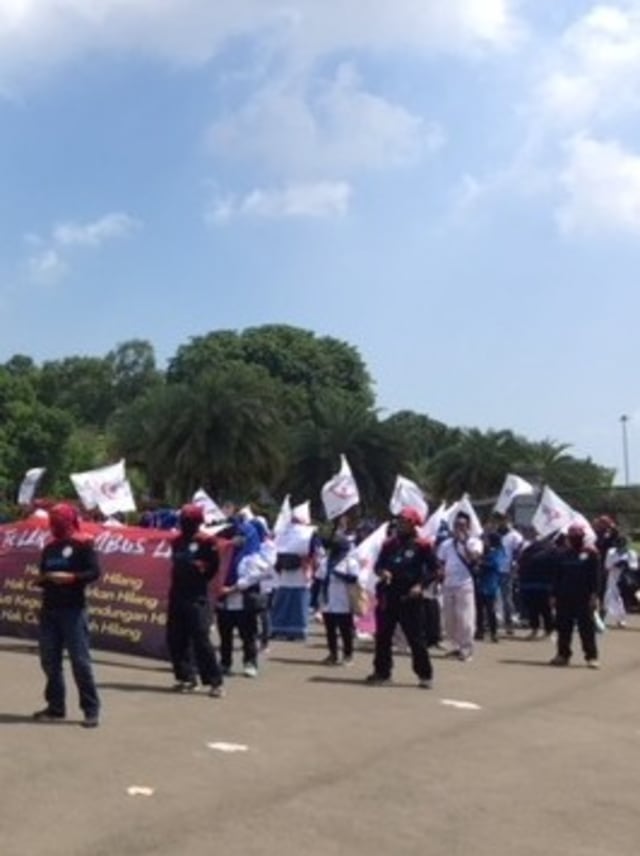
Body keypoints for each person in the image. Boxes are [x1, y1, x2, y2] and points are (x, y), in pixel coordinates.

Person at [33, 503, 101, 727]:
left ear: (69, 519)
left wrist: (70, 578)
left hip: (73, 610)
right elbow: (43, 572)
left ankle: (91, 710)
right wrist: (43, 579)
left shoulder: (83, 542)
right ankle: (56, 707)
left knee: (80, 662)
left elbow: (94, 572)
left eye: (58, 519)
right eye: (52, 520)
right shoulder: (49, 545)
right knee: (49, 661)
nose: (54, 524)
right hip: (50, 609)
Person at [366, 507, 436, 688]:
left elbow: (435, 570)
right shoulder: (389, 544)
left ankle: (425, 675)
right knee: (383, 636)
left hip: (410, 597)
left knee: (415, 638)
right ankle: (382, 672)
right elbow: (378, 565)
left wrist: (421, 585)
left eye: (405, 521)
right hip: (389, 595)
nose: (400, 524)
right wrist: (383, 572)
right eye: (399, 521)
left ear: (413, 524)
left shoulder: (423, 545)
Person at [166, 504, 224, 697]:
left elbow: (214, 568)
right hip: (177, 594)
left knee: (201, 639)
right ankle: (186, 677)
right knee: (176, 638)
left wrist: (201, 572)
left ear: (197, 522)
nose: (184, 523)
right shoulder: (176, 541)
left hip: (196, 596)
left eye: (188, 520)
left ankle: (215, 682)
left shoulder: (207, 541)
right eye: (183, 519)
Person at [216, 518, 264, 678]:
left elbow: (252, 577)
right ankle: (225, 663)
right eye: (235, 535)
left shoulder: (253, 557)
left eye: (241, 536)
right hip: (225, 603)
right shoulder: (224, 555)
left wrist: (231, 589)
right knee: (225, 636)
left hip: (244, 603)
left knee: (248, 635)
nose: (237, 539)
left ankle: (250, 663)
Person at [549, 524, 600, 669]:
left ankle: (592, 657)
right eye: (572, 537)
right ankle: (563, 655)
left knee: (586, 629)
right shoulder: (563, 555)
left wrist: (594, 596)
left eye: (578, 537)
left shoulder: (591, 554)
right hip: (564, 596)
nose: (574, 539)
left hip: (583, 597)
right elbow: (556, 577)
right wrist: (553, 595)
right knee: (564, 628)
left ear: (583, 537)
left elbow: (595, 577)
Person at [437, 511, 483, 662]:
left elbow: (475, 559)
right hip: (448, 584)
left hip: (464, 584)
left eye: (462, 525)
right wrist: (439, 575)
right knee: (449, 619)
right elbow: (440, 562)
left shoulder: (474, 542)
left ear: (468, 526)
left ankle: (467, 649)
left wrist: (463, 543)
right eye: (457, 525)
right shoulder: (446, 544)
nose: (459, 528)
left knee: (465, 618)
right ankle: (455, 647)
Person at [316, 533, 359, 665]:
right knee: (330, 629)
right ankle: (333, 654)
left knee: (345, 630)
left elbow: (354, 578)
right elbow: (319, 579)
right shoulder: (326, 561)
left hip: (343, 598)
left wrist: (339, 574)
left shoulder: (349, 561)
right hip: (328, 598)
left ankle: (348, 654)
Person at [517, 530, 555, 639]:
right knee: (537, 609)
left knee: (543, 609)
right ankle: (538, 629)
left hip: (541, 585)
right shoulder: (528, 551)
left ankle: (545, 630)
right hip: (533, 584)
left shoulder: (550, 551)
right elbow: (522, 566)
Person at [475, 532, 505, 643]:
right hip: (480, 584)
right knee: (479, 610)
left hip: (490, 585)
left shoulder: (498, 552)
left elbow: (495, 564)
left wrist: (481, 562)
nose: (484, 541)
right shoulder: (482, 551)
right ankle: (480, 631)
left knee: (490, 610)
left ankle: (494, 633)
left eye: (486, 539)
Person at [603, 535, 638, 628]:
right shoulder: (611, 552)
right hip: (613, 578)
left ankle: (621, 619)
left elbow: (635, 567)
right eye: (619, 544)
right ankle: (619, 619)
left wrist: (626, 564)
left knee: (623, 599)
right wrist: (615, 564)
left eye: (623, 544)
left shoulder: (631, 553)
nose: (621, 546)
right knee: (611, 597)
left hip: (627, 580)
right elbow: (607, 566)